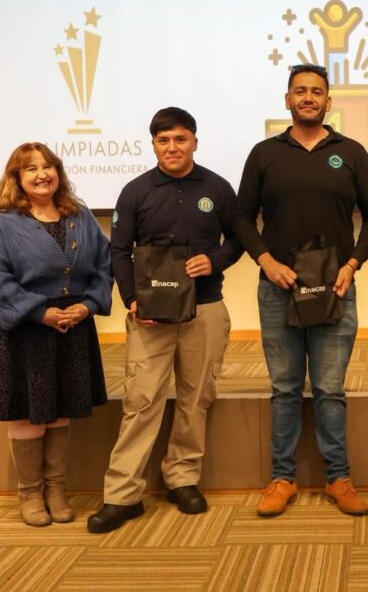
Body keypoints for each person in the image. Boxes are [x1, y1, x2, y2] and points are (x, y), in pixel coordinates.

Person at [234, 64, 368, 517]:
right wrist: (266, 260)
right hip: (278, 288)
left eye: (317, 91)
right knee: (284, 388)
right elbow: (241, 217)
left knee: (331, 388)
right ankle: (282, 479)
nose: (308, 97)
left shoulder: (352, 152)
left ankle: (339, 478)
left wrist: (353, 264)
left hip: (334, 288)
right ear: (287, 100)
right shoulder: (264, 154)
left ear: (328, 101)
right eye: (300, 91)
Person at [87, 107, 243, 534]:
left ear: (195, 140)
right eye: (163, 140)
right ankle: (123, 495)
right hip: (151, 316)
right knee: (141, 402)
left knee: (196, 398)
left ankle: (182, 478)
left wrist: (213, 262)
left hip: (206, 309)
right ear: (152, 144)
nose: (172, 147)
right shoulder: (135, 192)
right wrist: (133, 298)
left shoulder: (217, 188)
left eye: (180, 139)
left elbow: (239, 239)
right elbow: (119, 250)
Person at [0, 142, 112, 527]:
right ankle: (30, 494)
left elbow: (104, 264)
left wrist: (90, 305)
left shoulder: (78, 215)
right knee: (28, 414)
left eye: (49, 166)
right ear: (16, 177)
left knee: (60, 411)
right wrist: (40, 312)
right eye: (31, 169)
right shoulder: (1, 220)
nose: (42, 174)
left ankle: (56, 489)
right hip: (23, 330)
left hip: (71, 325)